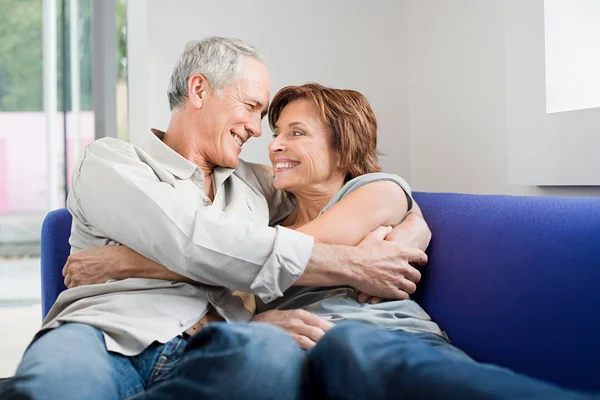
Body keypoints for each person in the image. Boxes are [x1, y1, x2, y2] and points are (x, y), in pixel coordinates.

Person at [64, 84, 598, 400]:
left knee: (353, 348)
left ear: (344, 146)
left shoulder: (379, 192)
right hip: (298, 353)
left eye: (297, 133)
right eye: (276, 133)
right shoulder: (267, 209)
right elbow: (241, 245)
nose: (275, 146)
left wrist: (135, 263)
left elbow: (264, 255)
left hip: (376, 336)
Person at [0, 38, 426, 400]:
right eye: (252, 107)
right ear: (199, 90)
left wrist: (410, 229)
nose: (261, 132)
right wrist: (354, 265)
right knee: (58, 384)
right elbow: (195, 240)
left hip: (220, 342)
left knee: (269, 365)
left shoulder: (256, 184)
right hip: (109, 331)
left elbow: (344, 186)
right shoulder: (113, 162)